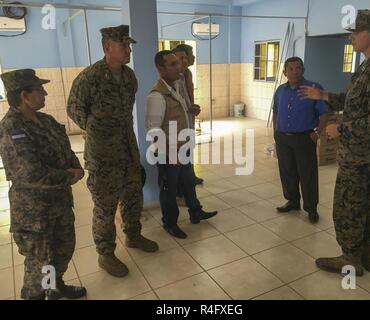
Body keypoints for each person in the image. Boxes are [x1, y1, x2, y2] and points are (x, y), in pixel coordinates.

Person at [298, 10, 370, 275]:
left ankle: (350, 258)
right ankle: (365, 253)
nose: (352, 36)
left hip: (363, 154)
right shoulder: (368, 64)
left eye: (357, 31)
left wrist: (341, 129)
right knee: (363, 201)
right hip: (358, 152)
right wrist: (323, 95)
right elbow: (353, 101)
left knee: (348, 204)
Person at [67, 25, 158, 278]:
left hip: (127, 149)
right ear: (108, 47)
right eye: (124, 46)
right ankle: (105, 254)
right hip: (102, 155)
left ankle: (133, 235)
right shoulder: (90, 77)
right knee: (105, 207)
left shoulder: (129, 77)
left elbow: (127, 108)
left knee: (132, 195)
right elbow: (74, 109)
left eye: (129, 46)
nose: (129, 50)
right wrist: (96, 129)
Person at [0, 69, 87, 300]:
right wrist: (68, 176)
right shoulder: (11, 129)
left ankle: (56, 286)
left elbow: (66, 150)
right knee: (39, 263)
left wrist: (75, 166)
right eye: (39, 90)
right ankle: (37, 294)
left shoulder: (46, 121)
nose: (45, 93)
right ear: (24, 95)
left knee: (62, 250)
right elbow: (29, 174)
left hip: (59, 203)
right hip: (35, 212)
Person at [146, 50, 218, 239]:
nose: (179, 67)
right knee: (169, 189)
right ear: (161, 69)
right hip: (169, 151)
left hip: (183, 147)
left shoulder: (177, 86)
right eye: (173, 64)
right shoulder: (156, 96)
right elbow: (153, 130)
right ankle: (169, 223)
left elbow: (180, 113)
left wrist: (191, 109)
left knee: (189, 182)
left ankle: (195, 212)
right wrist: (170, 154)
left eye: (178, 62)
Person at [273, 57, 329, 224]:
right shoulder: (280, 90)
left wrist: (318, 132)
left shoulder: (313, 88)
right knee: (287, 171)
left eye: (298, 68)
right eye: (291, 68)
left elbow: (324, 113)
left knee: (307, 174)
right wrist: (275, 132)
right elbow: (276, 111)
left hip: (305, 138)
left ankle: (311, 209)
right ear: (285, 72)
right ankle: (292, 201)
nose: (295, 71)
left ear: (303, 70)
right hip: (283, 138)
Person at [174, 44, 204, 185]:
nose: (192, 57)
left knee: (190, 147)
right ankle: (186, 180)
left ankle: (191, 175)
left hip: (189, 115)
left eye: (188, 56)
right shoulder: (176, 77)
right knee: (183, 151)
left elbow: (187, 96)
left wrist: (192, 107)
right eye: (186, 55)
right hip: (180, 121)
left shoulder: (187, 74)